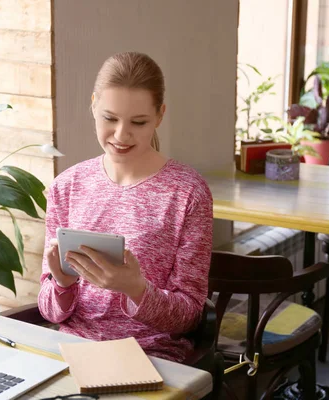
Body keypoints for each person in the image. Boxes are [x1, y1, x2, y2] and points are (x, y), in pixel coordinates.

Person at [37, 52, 213, 363]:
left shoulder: (188, 192)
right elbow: (50, 312)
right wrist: (62, 284)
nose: (121, 135)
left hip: (150, 356)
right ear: (93, 105)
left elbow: (189, 317)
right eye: (110, 118)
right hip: (71, 352)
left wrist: (137, 290)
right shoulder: (67, 187)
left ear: (159, 115)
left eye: (138, 122)